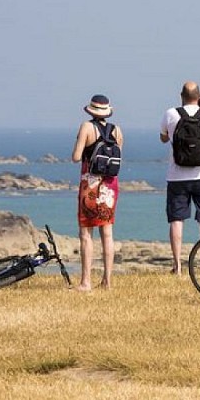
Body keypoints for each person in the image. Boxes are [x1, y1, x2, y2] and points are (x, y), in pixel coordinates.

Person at [160, 81, 200, 275]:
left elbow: (163, 138)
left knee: (177, 219)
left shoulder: (171, 113)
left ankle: (177, 266)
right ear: (199, 96)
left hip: (177, 176)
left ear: (181, 95)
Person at [71, 94, 124, 290]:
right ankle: (107, 281)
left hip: (91, 184)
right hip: (110, 185)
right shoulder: (117, 130)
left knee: (86, 233)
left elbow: (76, 156)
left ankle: (86, 281)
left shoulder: (87, 127)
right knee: (107, 233)